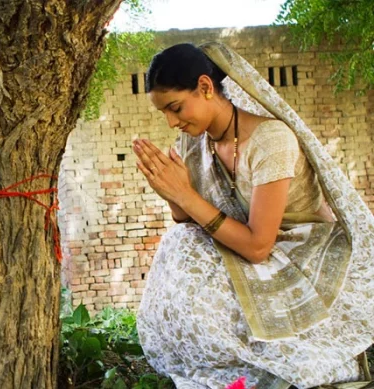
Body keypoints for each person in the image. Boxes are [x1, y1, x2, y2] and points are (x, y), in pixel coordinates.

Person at [133, 42, 374, 389]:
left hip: (300, 252)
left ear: (205, 87)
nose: (172, 122)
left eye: (175, 107)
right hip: (242, 247)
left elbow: (260, 245)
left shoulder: (270, 140)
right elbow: (191, 220)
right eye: (164, 114)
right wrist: (172, 196)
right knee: (180, 242)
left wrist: (185, 194)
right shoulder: (196, 144)